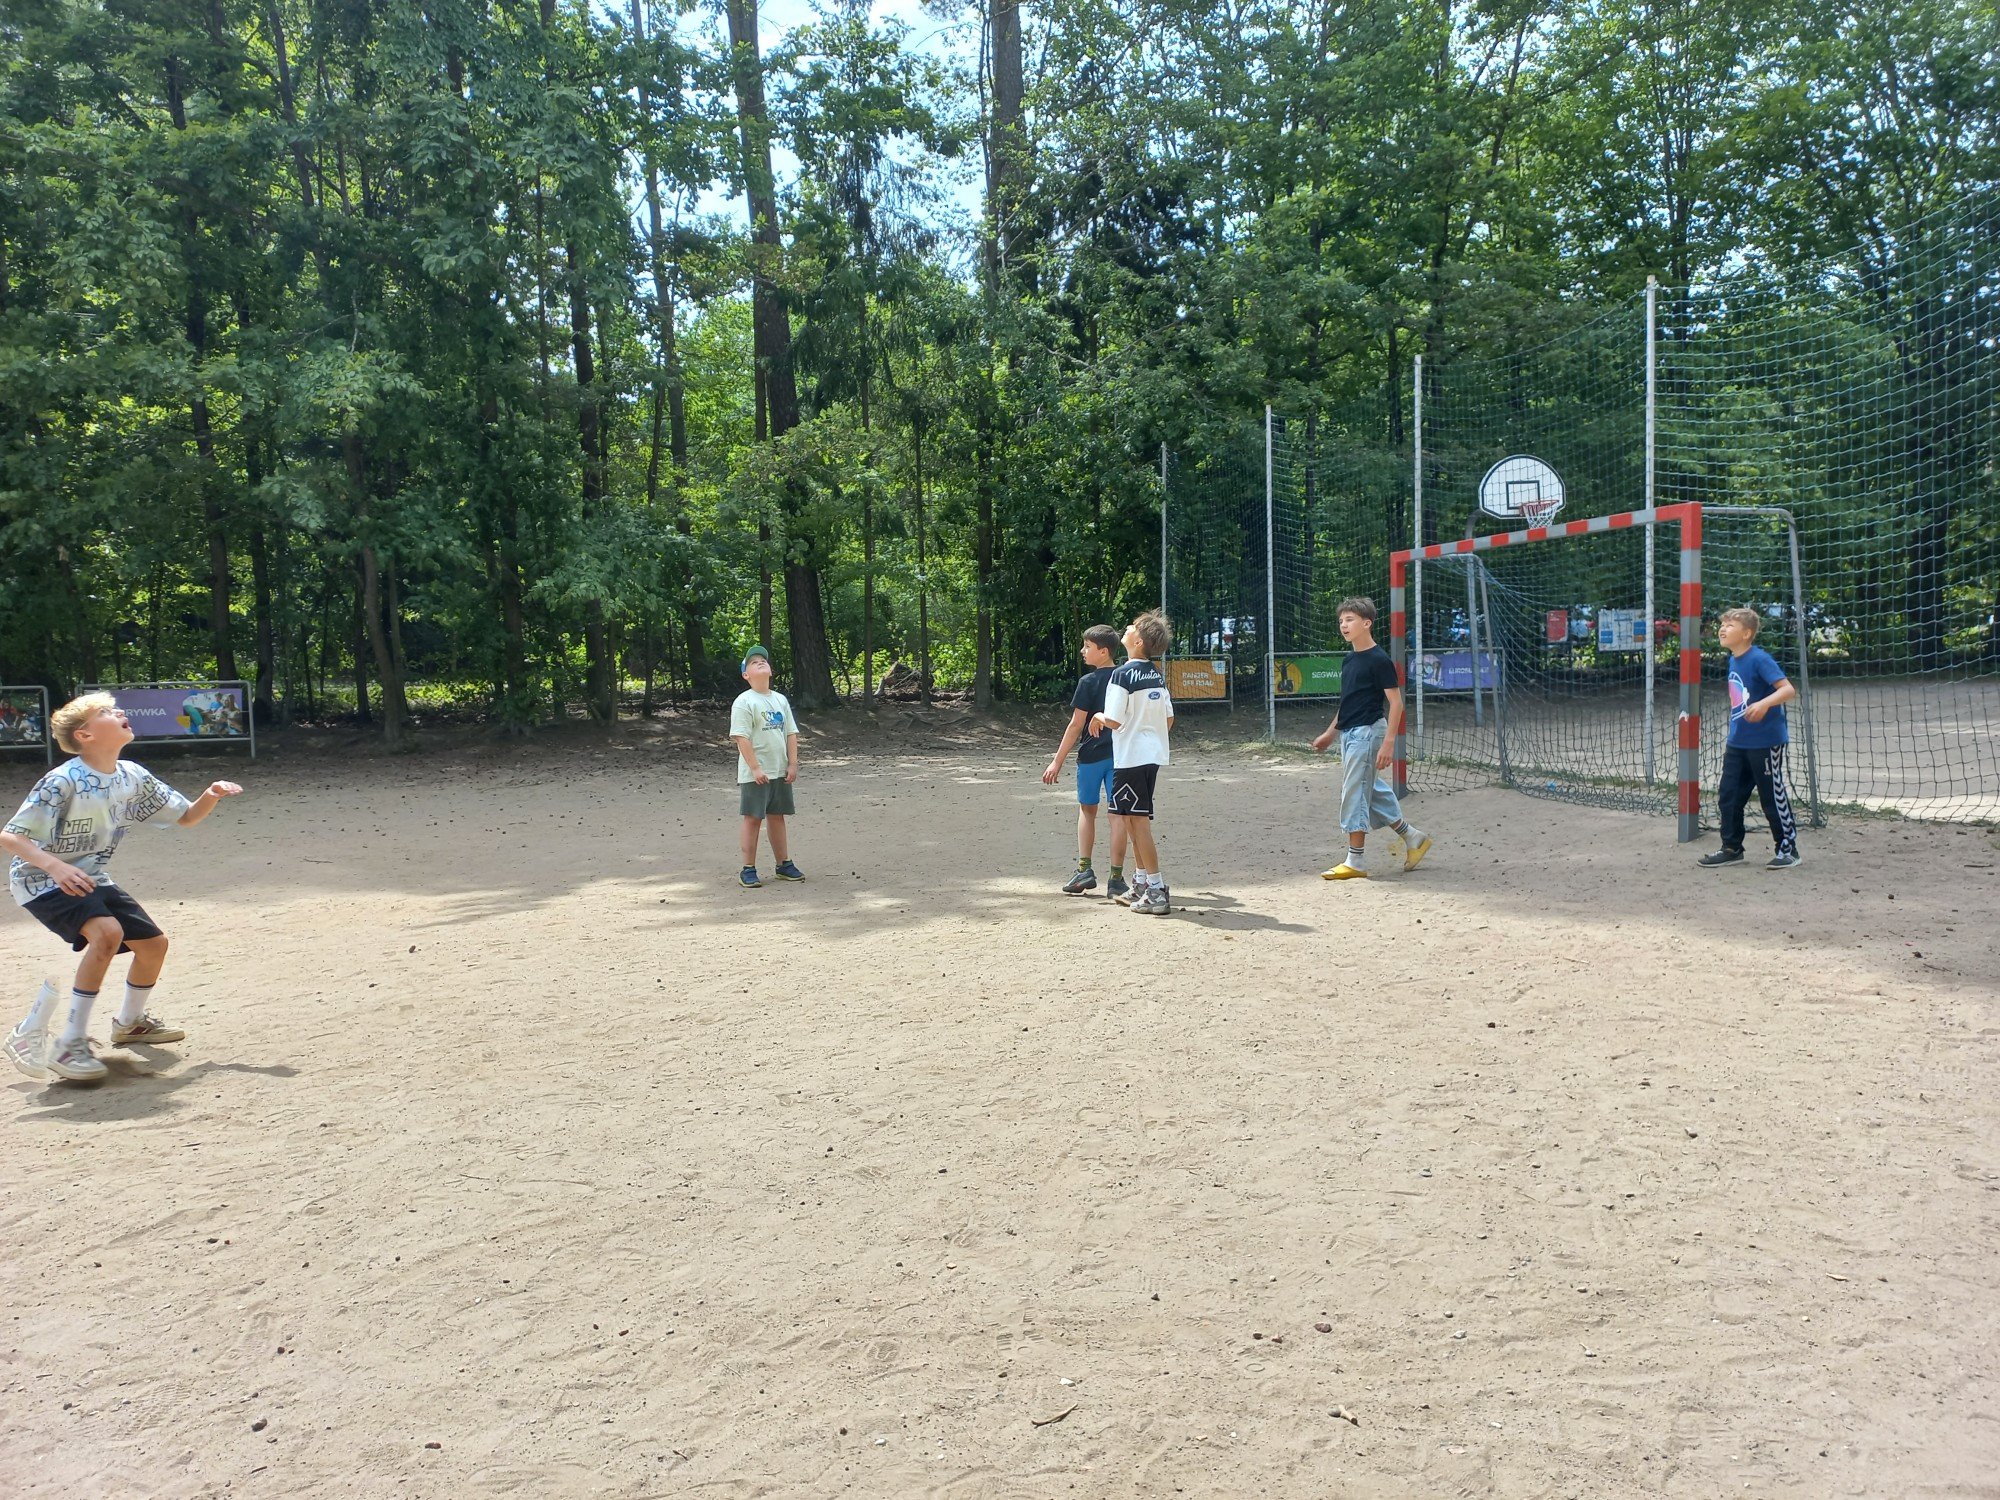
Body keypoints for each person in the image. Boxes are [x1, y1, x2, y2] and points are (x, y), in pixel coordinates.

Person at [2, 692, 243, 1083]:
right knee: (108, 933)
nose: (119, 712)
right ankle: (70, 1044)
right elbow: (12, 836)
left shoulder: (132, 775)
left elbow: (185, 817)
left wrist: (211, 794)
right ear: (85, 735)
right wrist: (56, 867)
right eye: (106, 712)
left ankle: (130, 1023)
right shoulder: (63, 780)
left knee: (153, 945)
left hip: (92, 876)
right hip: (41, 878)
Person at [1310, 597, 1432, 880]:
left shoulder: (1379, 660)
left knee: (1354, 791)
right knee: (1371, 789)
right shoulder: (1349, 659)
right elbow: (1348, 703)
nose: (1343, 625)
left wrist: (1389, 743)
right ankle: (1413, 837)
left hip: (1368, 733)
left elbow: (1396, 703)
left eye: (1349, 620)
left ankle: (1355, 861)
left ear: (1367, 623)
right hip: (1350, 734)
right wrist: (1330, 733)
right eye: (1341, 620)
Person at [1700, 606, 1801, 869]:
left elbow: (1788, 690)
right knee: (1729, 794)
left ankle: (1788, 850)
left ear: (1746, 633)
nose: (1722, 629)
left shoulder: (1759, 659)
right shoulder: (1734, 660)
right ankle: (1731, 848)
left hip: (1765, 742)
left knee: (1771, 796)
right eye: (1722, 625)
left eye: (1730, 625)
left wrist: (1764, 704)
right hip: (1738, 742)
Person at [1090, 610, 1176, 915]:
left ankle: (1156, 889)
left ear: (1138, 641)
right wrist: (1148, 735)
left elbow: (1113, 720)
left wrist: (1098, 716)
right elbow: (1168, 718)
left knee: (1137, 823)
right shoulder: (1156, 675)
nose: (1126, 628)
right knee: (1129, 818)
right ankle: (1140, 883)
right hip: (1150, 757)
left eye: (1132, 627)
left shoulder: (1122, 674)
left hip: (1131, 760)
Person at [1041, 625, 1130, 899]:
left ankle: (1084, 870)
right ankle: (1117, 879)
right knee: (1118, 816)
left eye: (1087, 647)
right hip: (1121, 756)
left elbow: (1076, 724)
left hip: (1091, 757)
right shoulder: (1126, 677)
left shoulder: (1088, 682)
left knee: (1087, 811)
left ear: (1103, 651)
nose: (1083, 651)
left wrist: (1056, 761)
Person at [730, 645, 804, 889]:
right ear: (746, 675)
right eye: (753, 662)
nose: (760, 662)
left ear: (771, 670)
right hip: (756, 773)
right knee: (753, 818)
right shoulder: (744, 701)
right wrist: (755, 768)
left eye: (763, 660)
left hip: (779, 770)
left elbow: (790, 733)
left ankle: (784, 864)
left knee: (777, 816)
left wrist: (792, 763)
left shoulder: (780, 699)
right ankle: (748, 869)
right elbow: (741, 737)